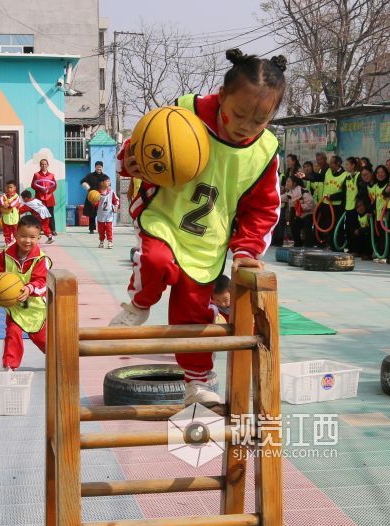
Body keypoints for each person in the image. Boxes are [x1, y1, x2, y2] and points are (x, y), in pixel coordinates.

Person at [111, 48, 286, 407]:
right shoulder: (186, 111)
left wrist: (247, 251)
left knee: (192, 314)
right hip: (164, 216)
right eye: (238, 114)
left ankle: (197, 380)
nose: (245, 126)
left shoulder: (266, 151)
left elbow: (262, 208)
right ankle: (139, 305)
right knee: (155, 260)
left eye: (259, 120)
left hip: (208, 238)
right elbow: (145, 143)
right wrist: (130, 160)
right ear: (222, 96)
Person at [0, 214, 50, 371]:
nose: (27, 240)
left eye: (32, 237)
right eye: (23, 236)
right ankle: (9, 368)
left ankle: (58, 359)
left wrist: (29, 288)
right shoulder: (6, 255)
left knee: (43, 340)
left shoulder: (41, 259)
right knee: (12, 333)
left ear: (39, 238)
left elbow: (42, 282)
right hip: (14, 306)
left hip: (36, 308)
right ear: (15, 235)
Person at [31, 159, 58, 235]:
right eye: (42, 164)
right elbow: (33, 185)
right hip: (39, 197)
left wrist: (48, 191)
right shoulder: (36, 175)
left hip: (49, 198)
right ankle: (38, 230)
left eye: (45, 164)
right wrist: (41, 189)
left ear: (47, 165)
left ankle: (52, 230)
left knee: (50, 214)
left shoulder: (51, 175)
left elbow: (55, 185)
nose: (44, 165)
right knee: (39, 214)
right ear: (40, 165)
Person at [81, 161, 109, 233]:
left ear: (102, 168)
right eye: (97, 167)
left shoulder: (105, 177)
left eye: (100, 167)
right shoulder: (90, 175)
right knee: (92, 213)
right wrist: (86, 185)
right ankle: (91, 228)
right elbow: (82, 181)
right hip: (92, 197)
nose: (99, 168)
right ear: (95, 167)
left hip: (102, 197)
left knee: (102, 213)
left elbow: (108, 184)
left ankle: (102, 229)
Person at [0, 180, 23, 246]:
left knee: (15, 230)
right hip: (5, 216)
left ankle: (16, 243)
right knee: (6, 231)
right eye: (7, 187)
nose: (9, 189)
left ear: (15, 188)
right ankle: (7, 242)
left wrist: (8, 205)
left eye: (11, 187)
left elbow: (15, 203)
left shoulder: (17, 196)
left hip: (14, 216)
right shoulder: (3, 196)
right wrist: (1, 204)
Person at [96, 176, 119, 249]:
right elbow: (95, 203)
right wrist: (93, 202)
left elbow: (116, 200)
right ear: (102, 183)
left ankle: (110, 241)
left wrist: (116, 206)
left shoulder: (111, 192)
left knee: (109, 228)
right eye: (107, 181)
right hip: (100, 215)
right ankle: (101, 241)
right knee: (101, 230)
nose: (109, 182)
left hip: (109, 214)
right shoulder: (97, 193)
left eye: (109, 181)